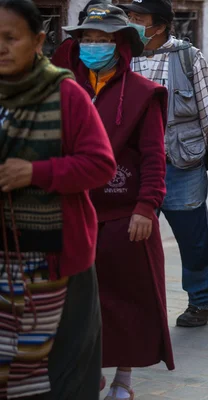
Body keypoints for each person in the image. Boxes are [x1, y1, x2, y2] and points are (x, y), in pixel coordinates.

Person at [0, 0, 117, 397]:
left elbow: (101, 165)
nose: (0, 47)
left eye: (10, 38)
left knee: (61, 372)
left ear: (37, 41)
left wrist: (35, 173)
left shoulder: (66, 94)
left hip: (57, 261)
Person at [59, 4, 175, 399]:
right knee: (78, 304)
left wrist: (147, 206)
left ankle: (123, 378)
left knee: (127, 301)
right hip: (74, 211)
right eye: (87, 39)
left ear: (122, 45)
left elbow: (153, 156)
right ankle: (91, 374)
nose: (93, 46)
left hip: (125, 213)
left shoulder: (143, 94)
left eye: (103, 39)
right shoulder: (67, 89)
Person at [118, 0, 208, 328]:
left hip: (181, 162)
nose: (132, 22)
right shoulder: (124, 55)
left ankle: (201, 300)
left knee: (193, 237)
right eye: (131, 16)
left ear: (160, 24)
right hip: (137, 166)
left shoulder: (187, 57)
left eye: (139, 17)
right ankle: (136, 302)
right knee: (133, 237)